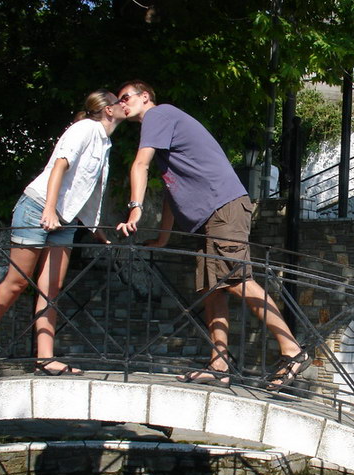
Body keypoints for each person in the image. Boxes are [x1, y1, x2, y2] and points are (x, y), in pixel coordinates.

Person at [114, 80, 308, 390]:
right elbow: (170, 189)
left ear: (145, 96)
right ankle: (219, 364)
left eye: (126, 97)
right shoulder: (163, 128)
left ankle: (292, 350)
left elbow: (140, 164)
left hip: (223, 207)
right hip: (213, 214)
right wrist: (163, 238)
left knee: (236, 280)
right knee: (212, 288)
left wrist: (135, 209)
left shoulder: (157, 115)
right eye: (119, 100)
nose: (122, 104)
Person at [0, 89, 126, 379]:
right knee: (16, 282)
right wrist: (50, 210)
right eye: (120, 101)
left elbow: (88, 191)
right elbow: (59, 167)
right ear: (107, 109)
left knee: (50, 290)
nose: (123, 105)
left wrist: (95, 230)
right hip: (38, 208)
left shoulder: (105, 141)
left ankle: (45, 358)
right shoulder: (84, 129)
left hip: (65, 220)